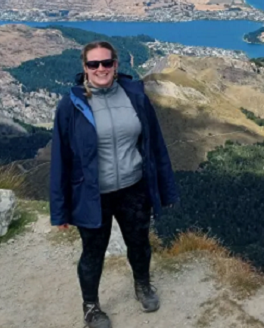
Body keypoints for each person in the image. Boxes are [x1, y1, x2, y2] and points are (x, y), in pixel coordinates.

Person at [49, 41, 179, 328]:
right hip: (93, 194)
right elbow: (60, 159)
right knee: (93, 252)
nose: (101, 69)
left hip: (134, 188)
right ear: (84, 68)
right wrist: (59, 211)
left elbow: (155, 145)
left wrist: (165, 188)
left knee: (140, 244)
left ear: (116, 65)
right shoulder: (71, 107)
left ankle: (143, 286)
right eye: (93, 64)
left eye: (106, 63)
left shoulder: (135, 96)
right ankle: (91, 307)